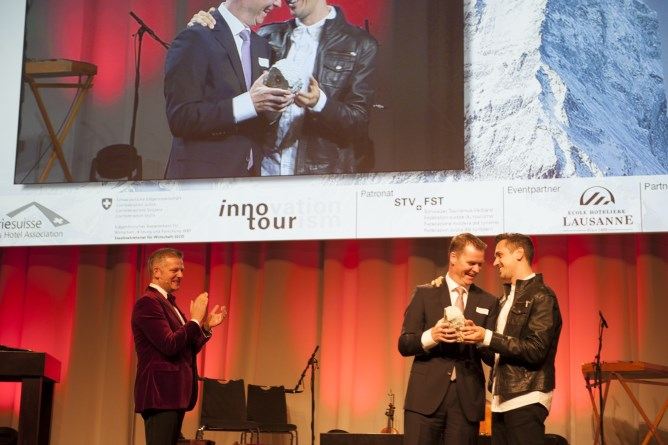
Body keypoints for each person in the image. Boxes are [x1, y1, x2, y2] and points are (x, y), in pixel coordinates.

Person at [189, 0, 378, 175]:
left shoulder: (360, 44)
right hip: (262, 171)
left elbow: (359, 123)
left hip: (317, 178)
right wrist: (206, 28)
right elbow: (229, 92)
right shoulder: (267, 35)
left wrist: (319, 102)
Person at [164, 0, 293, 179]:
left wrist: (273, 108)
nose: (279, 3)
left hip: (248, 180)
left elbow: (257, 119)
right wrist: (249, 103)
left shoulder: (262, 46)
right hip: (202, 181)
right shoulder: (195, 37)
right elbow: (181, 118)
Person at [462, 233, 562, 445]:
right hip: (501, 400)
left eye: (499, 255)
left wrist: (488, 336)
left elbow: (536, 350)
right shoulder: (503, 300)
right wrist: (478, 340)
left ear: (519, 253)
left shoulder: (542, 295)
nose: (494, 262)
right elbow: (497, 357)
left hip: (526, 396)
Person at [398, 233, 499, 445]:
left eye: (480, 264)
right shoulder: (425, 293)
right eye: (471, 263)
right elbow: (405, 344)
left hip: (466, 400)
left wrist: (480, 339)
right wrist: (431, 336)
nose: (476, 269)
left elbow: (492, 358)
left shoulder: (488, 301)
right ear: (453, 257)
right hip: (424, 398)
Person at [132, 248, 226, 445]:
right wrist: (194, 320)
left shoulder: (168, 303)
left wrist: (205, 327)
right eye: (175, 270)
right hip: (160, 395)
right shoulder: (148, 302)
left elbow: (185, 349)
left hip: (173, 395)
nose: (181, 275)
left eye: (182, 270)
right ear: (157, 272)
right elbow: (169, 345)